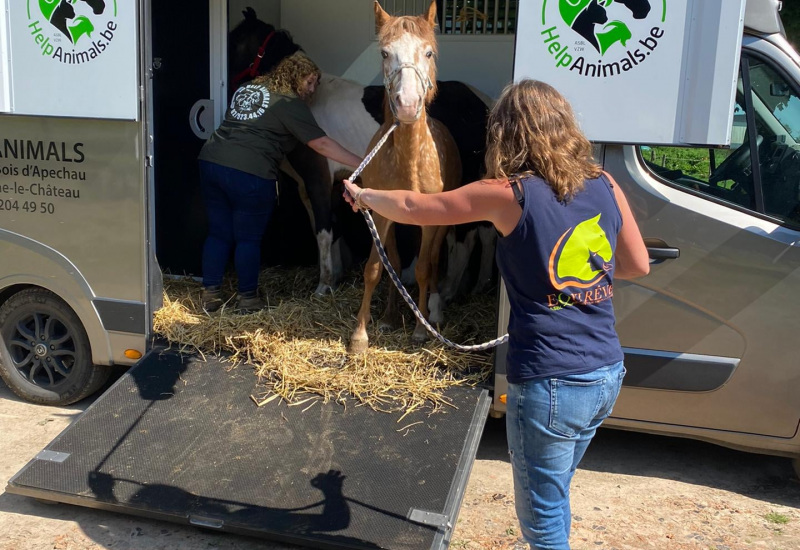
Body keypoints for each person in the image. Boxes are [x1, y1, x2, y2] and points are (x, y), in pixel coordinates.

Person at [342, 79, 650, 549]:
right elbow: (635, 264)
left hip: (550, 380)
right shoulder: (604, 182)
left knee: (543, 524)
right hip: (606, 371)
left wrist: (365, 196)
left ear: (505, 132)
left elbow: (415, 206)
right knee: (554, 495)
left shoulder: (508, 194)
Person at [197, 51, 362, 312]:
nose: (312, 89)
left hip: (211, 162)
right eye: (309, 82)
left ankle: (210, 294)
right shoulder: (289, 104)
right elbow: (321, 143)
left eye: (316, 84)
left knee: (219, 233)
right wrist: (361, 161)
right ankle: (248, 299)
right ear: (295, 78)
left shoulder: (248, 88)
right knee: (247, 239)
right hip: (249, 172)